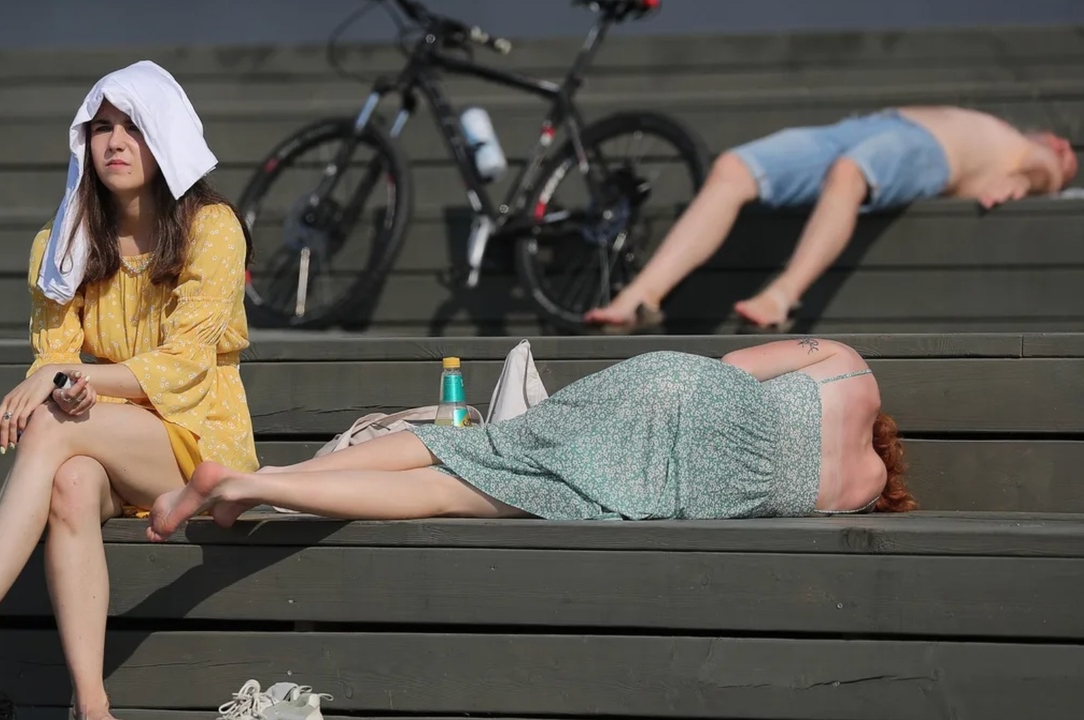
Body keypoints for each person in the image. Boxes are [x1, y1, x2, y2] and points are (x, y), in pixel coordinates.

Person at [0, 61, 258, 720]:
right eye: (101, 128)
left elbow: (184, 365)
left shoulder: (211, 227)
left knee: (50, 425)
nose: (115, 142)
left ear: (167, 135)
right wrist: (70, 389)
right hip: (112, 439)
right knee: (70, 482)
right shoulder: (62, 242)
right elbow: (55, 362)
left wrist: (67, 384)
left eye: (133, 127)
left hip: (199, 447)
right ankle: (91, 706)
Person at [145, 337, 915, 539]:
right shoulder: (857, 496)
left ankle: (267, 477)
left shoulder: (851, 369)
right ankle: (255, 487)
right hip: (666, 485)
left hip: (672, 391)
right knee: (450, 492)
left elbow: (734, 369)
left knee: (477, 447)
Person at [584, 106, 1079, 333]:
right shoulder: (1018, 135)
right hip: (865, 126)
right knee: (733, 167)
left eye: (1068, 160)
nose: (1063, 154)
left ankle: (782, 295)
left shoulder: (1037, 158)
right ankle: (639, 296)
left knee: (850, 173)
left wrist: (1029, 179)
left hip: (928, 149)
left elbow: (1042, 173)